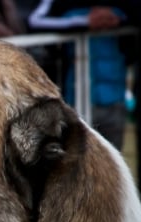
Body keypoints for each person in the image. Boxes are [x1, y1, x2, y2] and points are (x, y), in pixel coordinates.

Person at [28, 0, 135, 150]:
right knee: (76, 161)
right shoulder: (63, 6)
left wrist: (117, 18)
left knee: (112, 162)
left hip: (115, 102)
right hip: (74, 101)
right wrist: (85, 21)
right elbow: (34, 21)